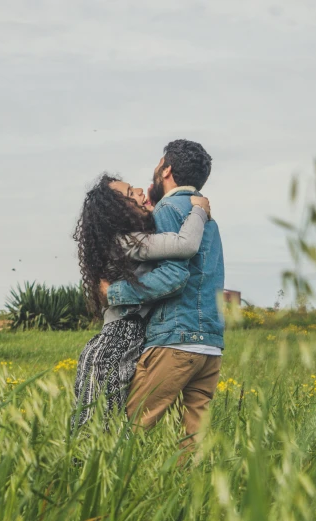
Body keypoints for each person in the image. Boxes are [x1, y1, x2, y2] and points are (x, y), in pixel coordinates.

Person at [102, 139, 224, 445]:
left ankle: (110, 491)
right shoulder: (208, 218)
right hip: (210, 345)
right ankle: (193, 493)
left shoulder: (168, 209)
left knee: (129, 432)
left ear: (166, 169)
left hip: (175, 339)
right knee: (193, 442)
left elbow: (174, 275)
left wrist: (114, 293)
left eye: (158, 164)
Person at [71, 173, 212, 431]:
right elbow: (185, 245)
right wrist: (199, 211)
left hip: (125, 339)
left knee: (105, 427)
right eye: (129, 193)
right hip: (116, 343)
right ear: (117, 210)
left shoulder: (130, 239)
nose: (138, 190)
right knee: (99, 429)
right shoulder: (128, 240)